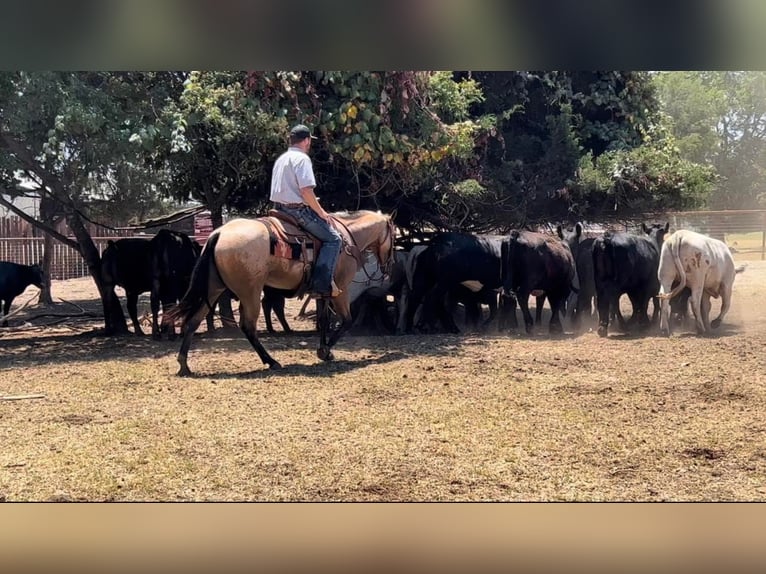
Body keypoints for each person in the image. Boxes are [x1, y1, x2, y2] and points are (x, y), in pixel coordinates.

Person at [270, 124, 342, 298]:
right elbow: (306, 191)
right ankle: (320, 285)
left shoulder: (282, 158)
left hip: (279, 209)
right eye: (309, 141)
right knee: (334, 239)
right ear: (306, 140)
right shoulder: (302, 159)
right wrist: (322, 213)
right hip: (297, 212)